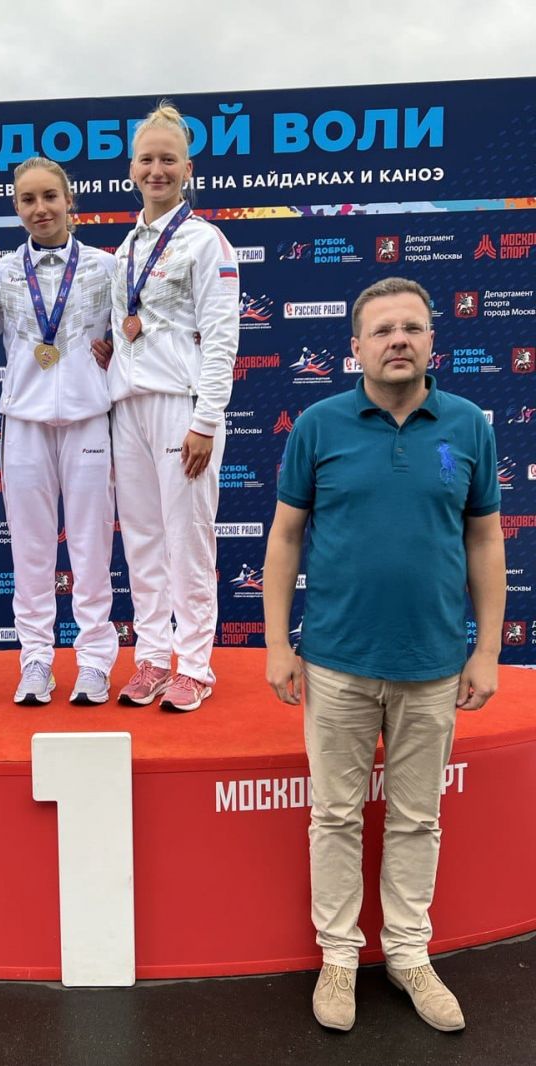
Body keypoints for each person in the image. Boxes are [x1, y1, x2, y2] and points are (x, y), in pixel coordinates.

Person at [263, 277, 506, 1032]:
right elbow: (284, 536)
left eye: (412, 327)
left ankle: (407, 953)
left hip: (434, 664)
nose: (398, 339)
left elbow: (485, 540)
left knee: (417, 818)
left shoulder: (467, 426)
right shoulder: (319, 425)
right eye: (382, 330)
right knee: (335, 815)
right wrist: (277, 644)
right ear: (356, 348)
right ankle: (339, 957)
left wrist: (487, 651)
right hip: (336, 660)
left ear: (432, 340)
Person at [105, 101, 240, 712]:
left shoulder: (205, 241)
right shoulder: (126, 247)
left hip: (182, 408)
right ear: (131, 168)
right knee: (142, 539)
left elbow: (223, 338)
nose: (156, 170)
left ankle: (195, 665)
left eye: (168, 159)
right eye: (146, 160)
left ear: (188, 168)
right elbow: (121, 326)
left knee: (188, 539)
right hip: (127, 408)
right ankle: (154, 656)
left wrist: (205, 420)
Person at [0, 157, 118, 705]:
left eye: (49, 197)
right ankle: (36, 659)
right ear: (17, 207)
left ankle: (94, 661)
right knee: (30, 550)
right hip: (23, 424)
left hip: (88, 421)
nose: (40, 208)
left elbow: (135, 336)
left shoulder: (107, 267)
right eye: (28, 199)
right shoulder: (0, 272)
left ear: (69, 201)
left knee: (91, 547)